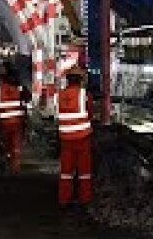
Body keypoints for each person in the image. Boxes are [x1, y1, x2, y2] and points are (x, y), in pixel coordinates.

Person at [57, 65, 93, 207]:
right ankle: (85, 199)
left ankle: (64, 199)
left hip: (65, 139)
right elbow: (90, 113)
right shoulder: (84, 94)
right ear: (80, 80)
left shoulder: (60, 95)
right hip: (82, 138)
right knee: (84, 171)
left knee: (66, 171)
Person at [0, 62, 31, 174]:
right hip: (18, 122)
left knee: (5, 144)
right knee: (16, 144)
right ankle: (15, 168)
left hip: (4, 122)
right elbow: (28, 98)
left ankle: (7, 160)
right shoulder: (20, 88)